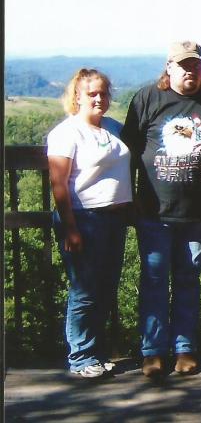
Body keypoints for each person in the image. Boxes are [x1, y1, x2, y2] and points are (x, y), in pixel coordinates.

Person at [122, 41, 201, 378]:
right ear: (169, 66)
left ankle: (185, 348)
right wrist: (130, 197)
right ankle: (153, 352)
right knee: (154, 281)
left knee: (188, 281)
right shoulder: (148, 98)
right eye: (184, 65)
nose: (191, 71)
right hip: (154, 210)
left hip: (199, 212)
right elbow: (128, 152)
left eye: (196, 65)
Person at [47, 68, 133, 379]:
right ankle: (81, 357)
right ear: (77, 97)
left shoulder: (113, 127)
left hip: (114, 218)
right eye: (92, 93)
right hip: (84, 218)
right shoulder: (66, 133)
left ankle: (96, 353)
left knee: (105, 288)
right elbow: (58, 184)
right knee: (84, 291)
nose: (99, 99)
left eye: (103, 93)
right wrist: (70, 228)